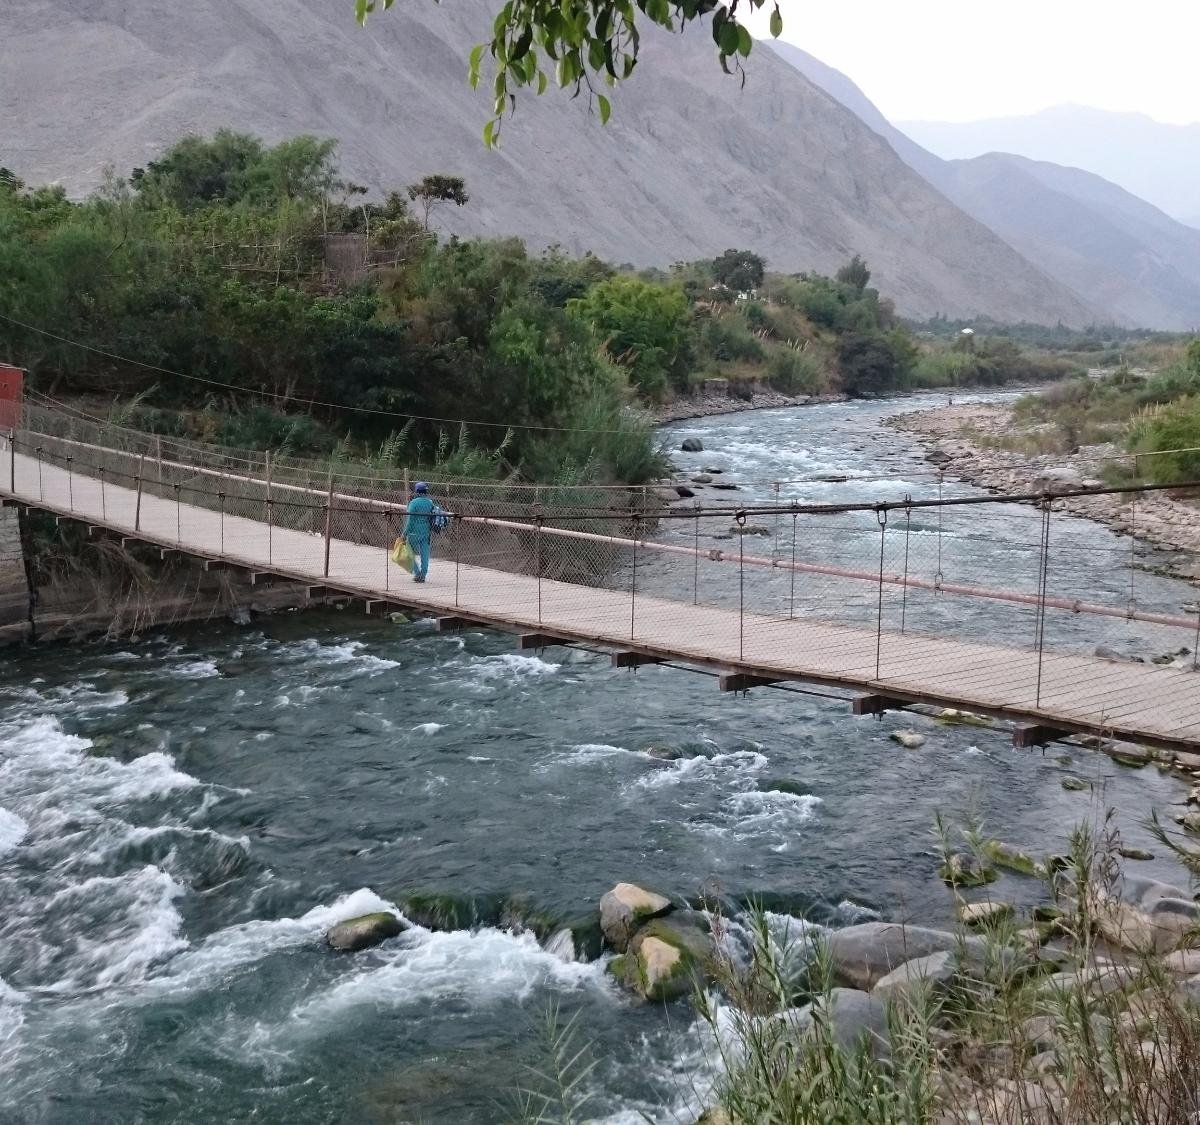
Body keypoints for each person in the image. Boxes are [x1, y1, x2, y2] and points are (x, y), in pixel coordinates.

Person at [402, 481, 436, 583]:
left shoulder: (413, 503)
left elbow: (410, 520)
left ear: (417, 491)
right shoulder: (430, 503)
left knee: (410, 553)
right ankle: (423, 574)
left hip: (414, 532)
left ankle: (417, 573)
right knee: (425, 553)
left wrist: (404, 533)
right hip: (426, 531)